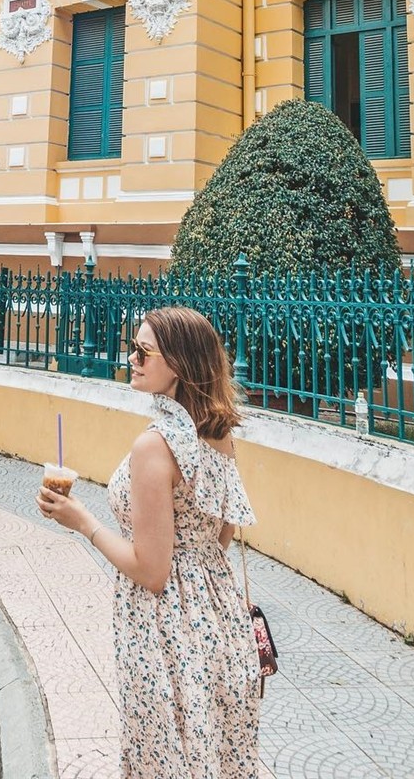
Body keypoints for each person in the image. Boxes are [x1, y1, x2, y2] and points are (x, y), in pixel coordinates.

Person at [37, 306, 260, 778]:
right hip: (221, 621)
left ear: (178, 363)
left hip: (162, 632)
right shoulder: (219, 437)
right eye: (132, 347)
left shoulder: (155, 447)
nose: (132, 358)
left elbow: (152, 572)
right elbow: (222, 533)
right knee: (211, 756)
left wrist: (83, 522)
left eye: (144, 351)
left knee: (165, 759)